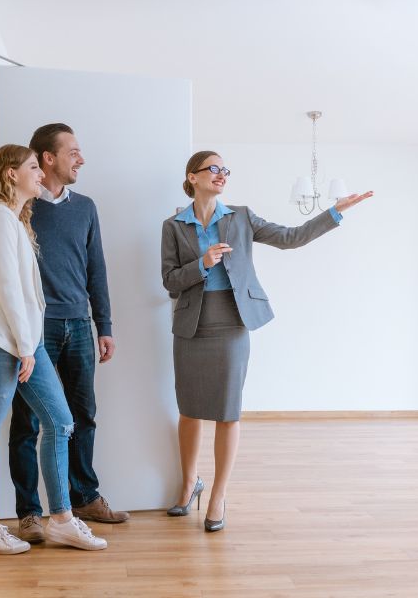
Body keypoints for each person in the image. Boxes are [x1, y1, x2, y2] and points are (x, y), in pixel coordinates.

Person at [160, 150, 373, 532]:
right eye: (214, 169)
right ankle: (189, 483)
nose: (222, 174)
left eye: (225, 169)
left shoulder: (240, 216)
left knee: (227, 410)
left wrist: (335, 212)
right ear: (192, 177)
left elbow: (291, 238)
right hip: (191, 324)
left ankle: (218, 496)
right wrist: (202, 264)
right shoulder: (174, 225)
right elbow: (170, 281)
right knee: (189, 409)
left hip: (232, 321)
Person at [0, 124, 128, 545]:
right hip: (31, 329)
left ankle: (82, 498)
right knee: (26, 423)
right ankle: (29, 514)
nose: (81, 159)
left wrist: (104, 325)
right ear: (46, 159)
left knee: (78, 416)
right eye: (73, 152)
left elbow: (98, 269)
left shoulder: (84, 207)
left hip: (76, 323)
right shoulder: (17, 207)